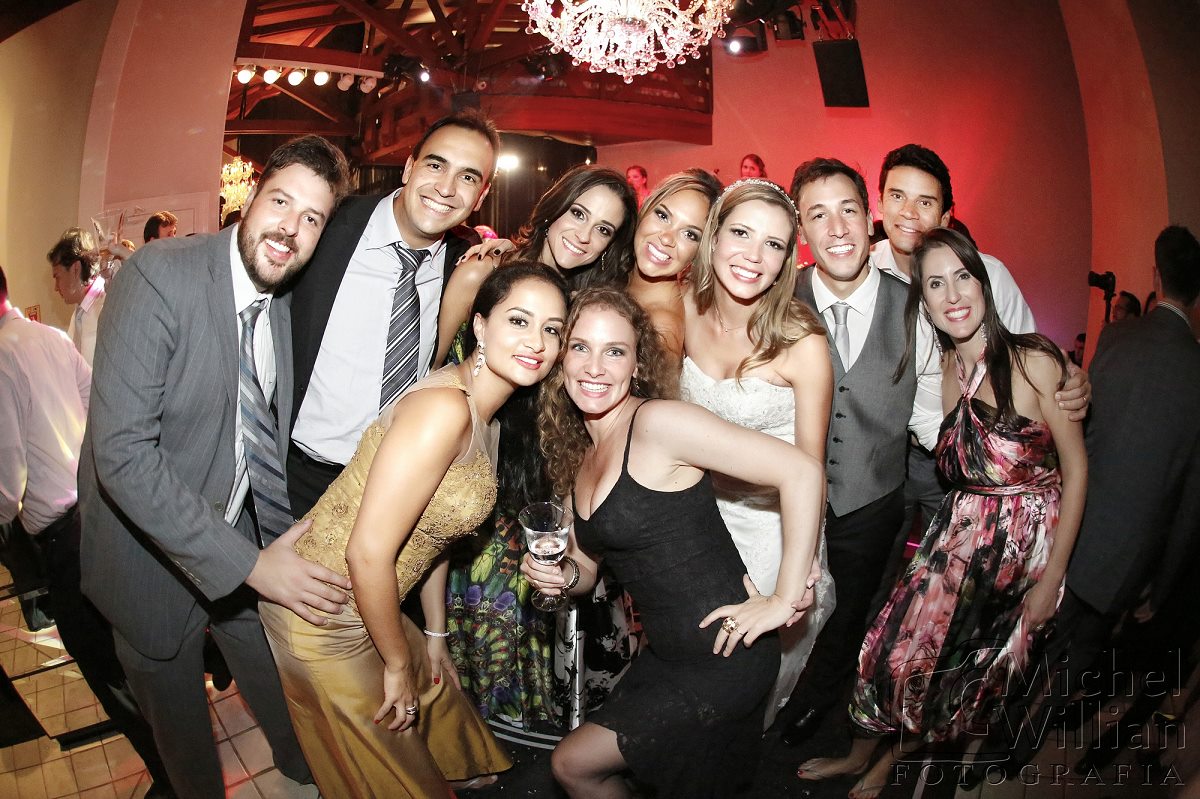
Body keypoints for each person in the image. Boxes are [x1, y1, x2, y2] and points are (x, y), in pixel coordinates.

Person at [79, 135, 353, 799]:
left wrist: (267, 547)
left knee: (273, 680)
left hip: (235, 541)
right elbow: (123, 455)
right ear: (250, 197)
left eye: (312, 217)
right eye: (281, 202)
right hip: (145, 562)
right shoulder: (160, 274)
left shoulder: (280, 302)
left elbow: (252, 433)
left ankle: (305, 772)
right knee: (186, 747)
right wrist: (255, 565)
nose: (290, 228)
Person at [797, 227, 1086, 799]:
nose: (952, 294)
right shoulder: (944, 371)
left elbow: (1076, 472)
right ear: (924, 303)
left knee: (956, 679)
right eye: (934, 284)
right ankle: (860, 752)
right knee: (889, 652)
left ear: (983, 284)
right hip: (954, 542)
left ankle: (890, 762)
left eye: (962, 277)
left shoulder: (1033, 360)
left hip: (1017, 558)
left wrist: (1052, 579)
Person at [260, 262, 567, 796]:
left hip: (369, 597)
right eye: (519, 320)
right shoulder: (444, 410)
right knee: (394, 773)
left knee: (443, 705)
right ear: (480, 325)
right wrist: (398, 663)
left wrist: (434, 634)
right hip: (322, 610)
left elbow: (436, 532)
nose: (536, 342)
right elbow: (367, 553)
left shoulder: (487, 420)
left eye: (552, 329)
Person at [524, 287, 824, 797]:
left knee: (574, 765)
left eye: (615, 351)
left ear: (637, 362)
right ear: (561, 359)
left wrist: (783, 597)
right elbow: (587, 570)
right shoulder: (579, 457)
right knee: (577, 766)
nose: (595, 367)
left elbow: (801, 471)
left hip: (724, 657)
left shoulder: (659, 423)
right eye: (580, 347)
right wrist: (559, 575)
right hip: (666, 656)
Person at [441, 165, 635, 742]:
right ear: (553, 209)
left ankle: (525, 735)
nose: (585, 235)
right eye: (578, 213)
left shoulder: (591, 305)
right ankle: (472, 732)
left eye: (604, 229)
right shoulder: (488, 271)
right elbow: (439, 362)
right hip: (474, 464)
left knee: (541, 611)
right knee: (472, 612)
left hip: (546, 478)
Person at [996, 225, 1200, 775]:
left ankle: (998, 733)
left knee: (1034, 642)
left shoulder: (1118, 337)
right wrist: (1163, 582)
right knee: (1076, 661)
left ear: (1156, 275)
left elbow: (1079, 433)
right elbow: (1190, 502)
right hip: (1129, 555)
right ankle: (1022, 749)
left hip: (1077, 523)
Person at [1, 265, 175, 796]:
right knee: (129, 643)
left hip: (62, 535)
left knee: (102, 665)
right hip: (99, 508)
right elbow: (96, 400)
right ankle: (180, 752)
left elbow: (8, 477)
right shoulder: (49, 336)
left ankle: (171, 774)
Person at [286, 110, 497, 517]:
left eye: (468, 177)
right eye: (435, 165)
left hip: (400, 485)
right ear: (409, 167)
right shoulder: (331, 226)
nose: (446, 188)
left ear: (482, 196)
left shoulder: (466, 264)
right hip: (299, 475)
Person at [679, 177, 836, 727]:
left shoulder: (802, 344)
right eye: (741, 233)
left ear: (787, 260)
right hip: (696, 521)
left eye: (772, 244)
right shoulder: (684, 308)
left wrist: (802, 566)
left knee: (741, 680)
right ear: (714, 237)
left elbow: (811, 468)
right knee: (688, 664)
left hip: (773, 529)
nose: (753, 255)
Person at [780, 158, 918, 748]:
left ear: (870, 218)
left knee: (847, 612)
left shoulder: (917, 305)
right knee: (785, 603)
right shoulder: (775, 298)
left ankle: (817, 701)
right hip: (781, 499)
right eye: (818, 215)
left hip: (873, 500)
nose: (836, 228)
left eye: (848, 211)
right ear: (801, 232)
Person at [625, 168, 722, 360]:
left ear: (699, 252)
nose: (667, 238)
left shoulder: (660, 327)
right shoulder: (609, 267)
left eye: (690, 234)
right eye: (663, 216)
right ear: (645, 208)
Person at [48, 228, 107, 366]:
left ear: (75, 269)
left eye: (57, 277)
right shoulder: (80, 310)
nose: (56, 287)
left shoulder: (106, 307)